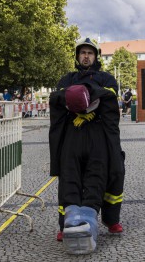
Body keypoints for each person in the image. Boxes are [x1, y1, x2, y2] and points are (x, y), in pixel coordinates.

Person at [49, 38, 126, 251]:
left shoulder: (107, 79)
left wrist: (85, 92)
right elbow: (58, 99)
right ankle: (66, 224)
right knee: (69, 179)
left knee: (99, 176)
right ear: (77, 56)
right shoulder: (67, 79)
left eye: (89, 53)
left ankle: (108, 220)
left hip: (98, 135)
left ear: (96, 56)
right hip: (72, 136)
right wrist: (72, 96)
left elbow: (109, 100)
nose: (86, 56)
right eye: (82, 53)